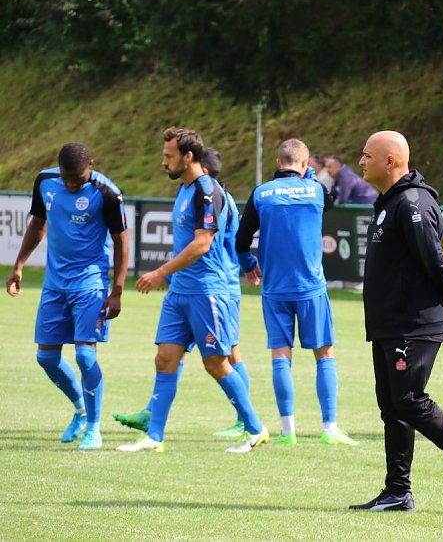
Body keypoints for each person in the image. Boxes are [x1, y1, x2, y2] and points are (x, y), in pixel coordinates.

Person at [351, 130, 443, 514]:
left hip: (413, 324)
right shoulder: (387, 202)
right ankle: (398, 492)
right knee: (392, 407)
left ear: (391, 161)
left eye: (367, 156)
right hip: (389, 323)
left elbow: (431, 253)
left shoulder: (412, 201)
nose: (361, 162)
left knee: (409, 400)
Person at [117, 127, 268, 453]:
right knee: (165, 358)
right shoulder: (184, 190)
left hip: (208, 291)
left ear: (188, 157)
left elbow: (203, 243)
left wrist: (160, 272)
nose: (163, 162)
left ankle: (255, 429)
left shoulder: (206, 192)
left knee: (215, 363)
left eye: (168, 156)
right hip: (181, 292)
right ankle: (154, 437)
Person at [5, 143, 129, 450]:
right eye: (67, 178)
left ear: (91, 166)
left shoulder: (107, 193)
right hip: (54, 284)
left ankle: (94, 427)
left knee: (85, 355)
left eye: (78, 178)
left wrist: (117, 290)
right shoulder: (44, 181)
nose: (72, 184)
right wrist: (19, 265)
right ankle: (80, 409)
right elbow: (38, 222)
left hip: (90, 283)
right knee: (46, 357)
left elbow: (121, 241)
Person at [236, 138, 356, 446]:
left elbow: (240, 239)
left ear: (277, 163)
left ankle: (287, 431)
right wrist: (311, 177)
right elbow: (330, 202)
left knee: (281, 356)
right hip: (311, 287)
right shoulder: (315, 190)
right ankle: (329, 428)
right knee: (324, 353)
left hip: (275, 288)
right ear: (304, 165)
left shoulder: (261, 194)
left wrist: (250, 264)